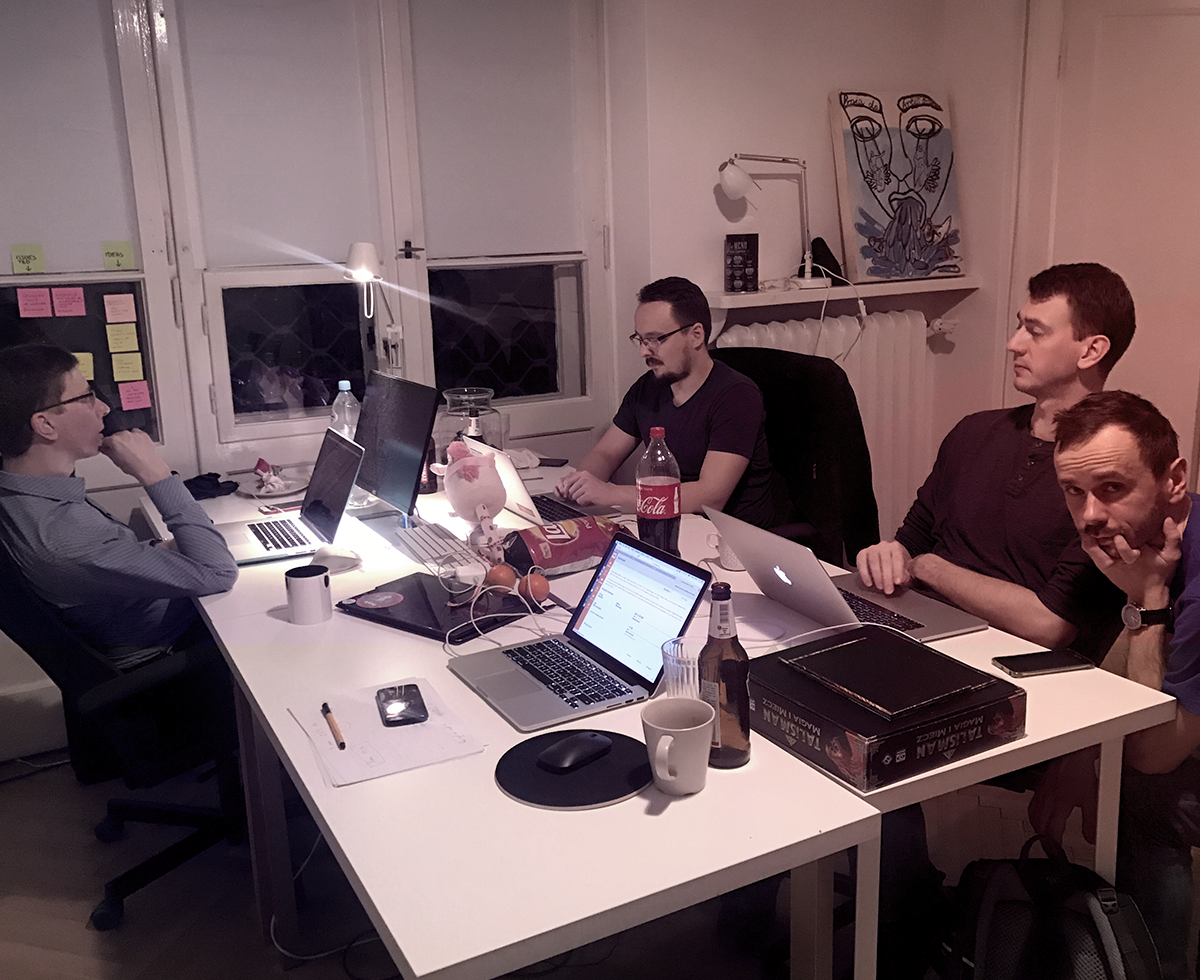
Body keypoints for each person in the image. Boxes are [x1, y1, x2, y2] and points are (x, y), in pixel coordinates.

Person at [856, 262, 1136, 657]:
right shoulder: (973, 432)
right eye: (1020, 326)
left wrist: (930, 568)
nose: (1014, 344)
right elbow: (910, 542)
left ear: (1091, 351)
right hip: (922, 626)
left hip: (1014, 659)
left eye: (1035, 331)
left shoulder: (1112, 473)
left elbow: (1050, 625)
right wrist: (887, 557)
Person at [1030, 391, 1198, 979]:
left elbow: (1153, 752)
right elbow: (1117, 666)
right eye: (1074, 491)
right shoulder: (1139, 541)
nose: (1090, 515)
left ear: (1174, 479)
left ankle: (1156, 966)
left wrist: (1148, 599)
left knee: (1147, 796)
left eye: (1112, 487)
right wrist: (1080, 751)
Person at [0, 343, 238, 670]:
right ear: (45, 425)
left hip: (172, 621)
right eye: (86, 397)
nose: (103, 408)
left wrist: (161, 549)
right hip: (176, 650)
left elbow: (105, 557)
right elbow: (219, 572)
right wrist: (154, 472)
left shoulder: (29, 494)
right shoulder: (62, 538)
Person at [556, 276, 777, 527]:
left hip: (726, 536)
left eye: (656, 339)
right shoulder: (648, 387)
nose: (644, 351)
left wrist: (610, 493)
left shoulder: (736, 396)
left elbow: (710, 497)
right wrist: (580, 483)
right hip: (670, 524)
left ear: (696, 335)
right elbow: (606, 453)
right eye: (640, 339)